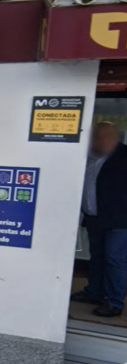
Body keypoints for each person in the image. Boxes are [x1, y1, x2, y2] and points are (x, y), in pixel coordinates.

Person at [71, 122, 127, 317]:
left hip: (120, 221)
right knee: (97, 258)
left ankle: (113, 302)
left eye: (104, 136)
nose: (99, 141)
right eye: (96, 137)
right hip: (95, 219)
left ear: (115, 138)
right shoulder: (89, 156)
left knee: (115, 259)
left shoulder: (124, 156)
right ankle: (94, 293)